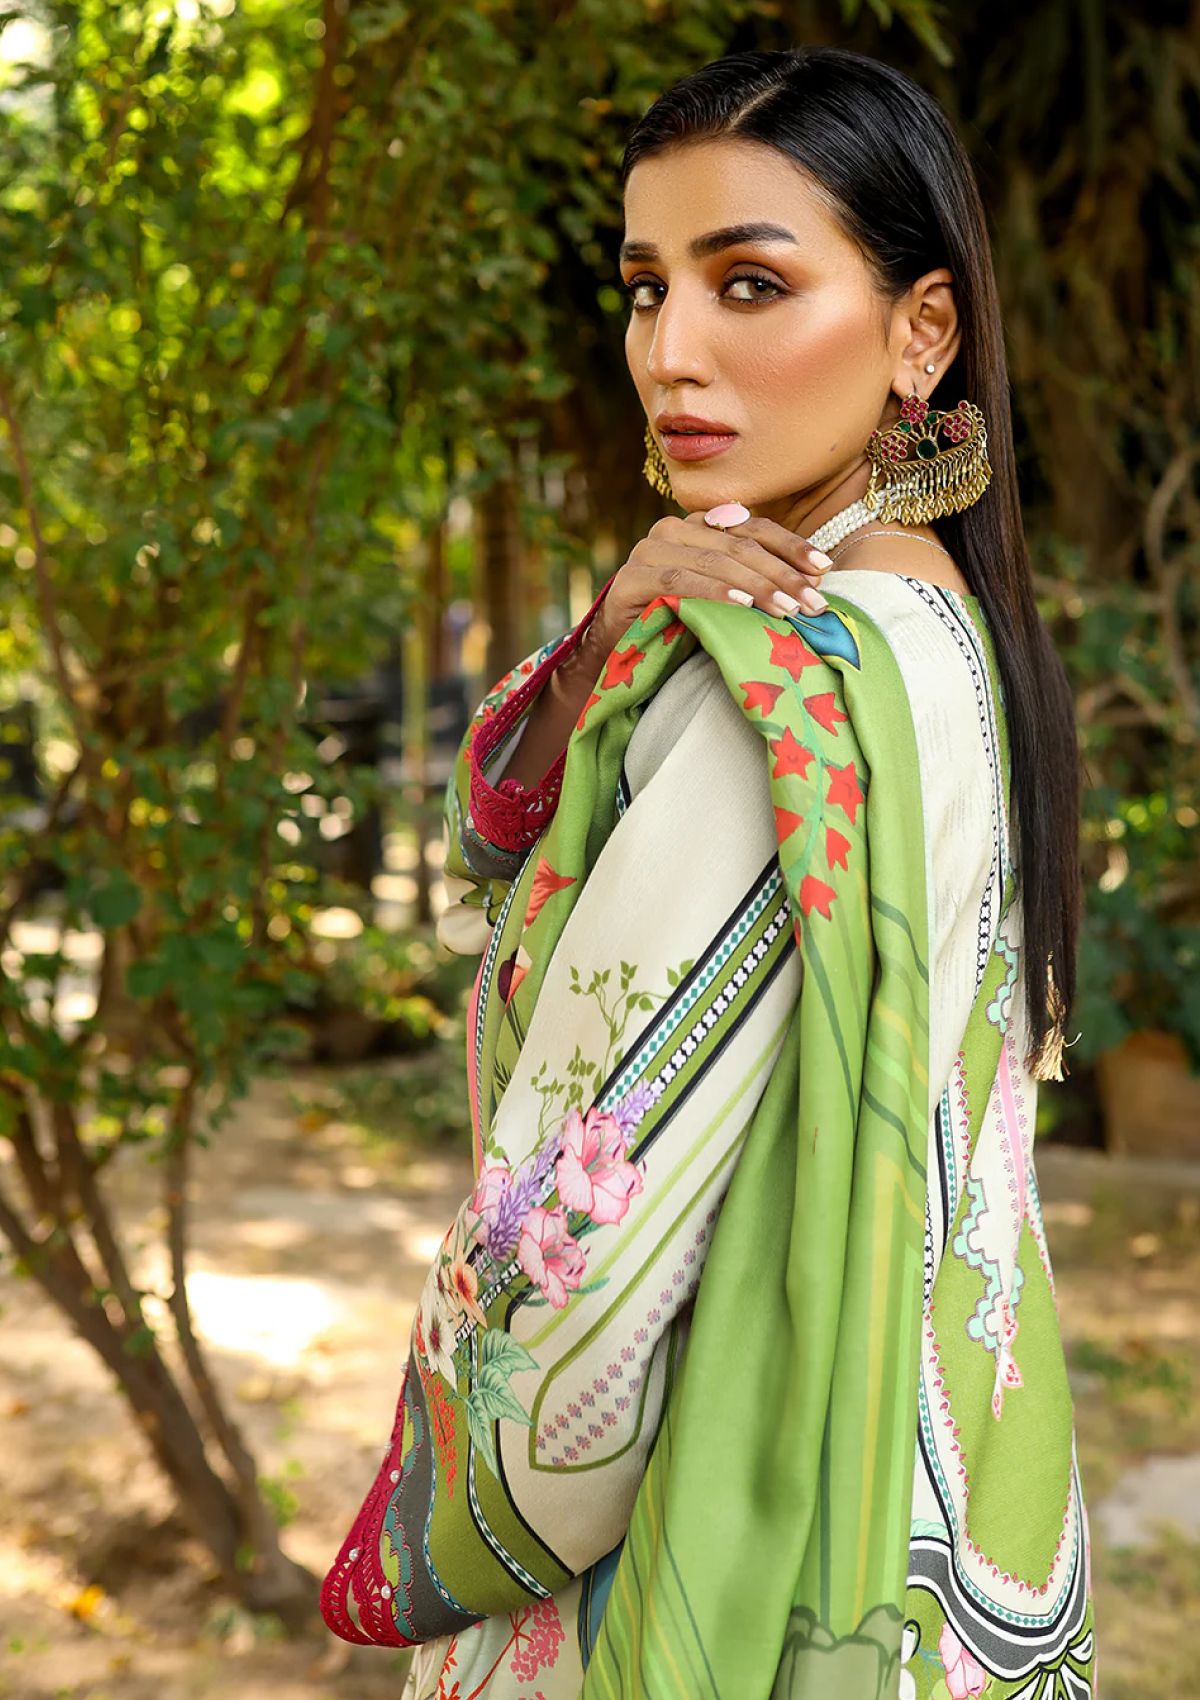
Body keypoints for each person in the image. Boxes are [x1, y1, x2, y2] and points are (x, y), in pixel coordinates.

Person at [321, 45, 1095, 1700]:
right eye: (646, 287)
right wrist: (616, 624)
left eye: (750, 283)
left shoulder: (785, 686)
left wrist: (454, 1521)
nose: (670, 351)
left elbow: (580, 1252)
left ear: (923, 332)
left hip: (718, 1543)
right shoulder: (944, 634)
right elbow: (502, 828)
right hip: (931, 1511)